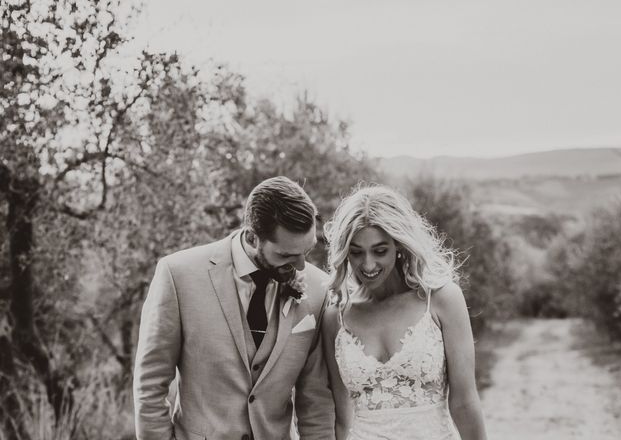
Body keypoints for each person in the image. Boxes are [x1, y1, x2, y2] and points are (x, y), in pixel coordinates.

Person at [133, 176, 336, 440]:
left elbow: (316, 401)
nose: (300, 267)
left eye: (306, 252)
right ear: (252, 237)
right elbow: (150, 385)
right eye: (285, 255)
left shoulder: (319, 289)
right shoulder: (178, 275)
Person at [321, 185, 487, 440]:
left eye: (380, 251)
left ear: (398, 245)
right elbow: (342, 417)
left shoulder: (442, 299)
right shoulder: (337, 316)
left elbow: (464, 403)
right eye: (356, 252)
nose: (368, 264)